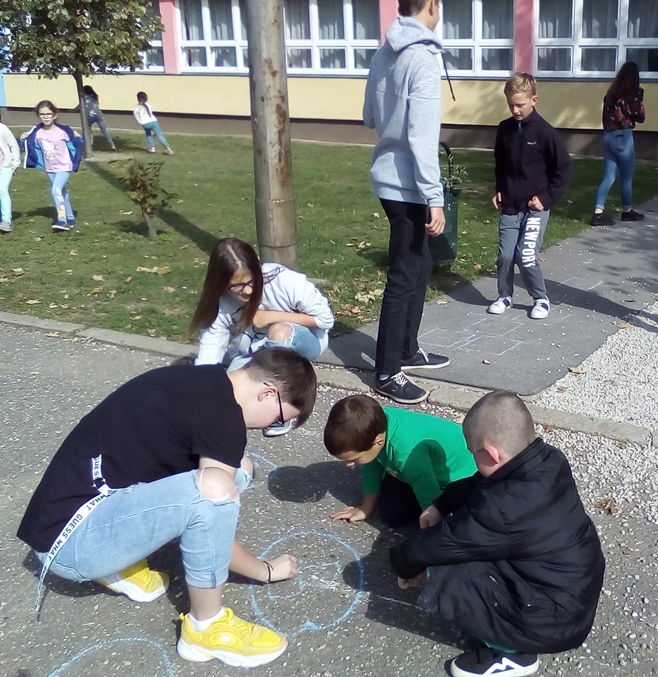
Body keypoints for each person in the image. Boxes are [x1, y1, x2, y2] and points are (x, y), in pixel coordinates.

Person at [16, 348, 318, 668]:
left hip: (60, 519)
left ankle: (118, 562)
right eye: (279, 420)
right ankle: (205, 628)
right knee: (216, 488)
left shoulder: (199, 379)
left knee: (238, 467)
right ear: (268, 393)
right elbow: (213, 503)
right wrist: (265, 570)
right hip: (72, 547)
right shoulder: (224, 419)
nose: (269, 430)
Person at [389, 391, 605, 677]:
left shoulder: (502, 507)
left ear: (491, 453)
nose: (472, 458)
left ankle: (513, 653)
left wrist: (403, 563)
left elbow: (445, 541)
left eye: (472, 452)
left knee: (445, 570)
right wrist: (442, 504)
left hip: (550, 621)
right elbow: (478, 482)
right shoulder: (548, 459)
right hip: (573, 593)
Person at [363, 0, 451, 405]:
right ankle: (386, 371)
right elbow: (422, 137)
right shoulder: (423, 59)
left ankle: (407, 349)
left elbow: (369, 116)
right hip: (410, 186)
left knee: (421, 265)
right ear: (432, 4)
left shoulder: (384, 54)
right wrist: (434, 197)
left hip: (388, 179)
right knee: (403, 274)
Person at [190, 238, 333, 428]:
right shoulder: (221, 304)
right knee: (227, 389)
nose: (248, 290)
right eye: (236, 286)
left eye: (251, 281)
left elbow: (325, 320)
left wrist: (271, 316)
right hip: (255, 352)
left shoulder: (284, 280)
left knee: (278, 332)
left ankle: (282, 409)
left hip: (306, 340)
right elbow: (209, 354)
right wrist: (200, 390)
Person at [488, 73, 572, 320]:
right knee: (505, 256)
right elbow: (500, 163)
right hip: (510, 206)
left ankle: (540, 298)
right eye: (510, 105)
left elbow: (564, 170)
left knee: (525, 256)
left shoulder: (545, 132)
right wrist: (499, 189)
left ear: (534, 100)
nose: (515, 110)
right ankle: (504, 296)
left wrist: (545, 199)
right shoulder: (504, 130)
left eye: (520, 105)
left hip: (535, 208)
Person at [325, 394, 478, 527]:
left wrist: (432, 529)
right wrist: (365, 508)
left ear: (377, 442)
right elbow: (372, 464)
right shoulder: (374, 425)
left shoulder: (406, 454)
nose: (347, 465)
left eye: (354, 459)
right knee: (392, 515)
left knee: (440, 516)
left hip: (457, 475)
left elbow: (428, 492)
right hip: (418, 467)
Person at [591, 61, 645, 226]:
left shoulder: (610, 94)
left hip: (608, 136)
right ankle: (627, 210)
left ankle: (598, 213)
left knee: (608, 176)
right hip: (623, 136)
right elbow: (640, 116)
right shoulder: (633, 94)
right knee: (626, 177)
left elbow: (605, 116)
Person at [22, 100, 84, 232]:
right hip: (50, 168)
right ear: (38, 116)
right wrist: (23, 139)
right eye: (42, 114)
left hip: (64, 166)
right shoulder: (37, 132)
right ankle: (70, 217)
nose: (45, 117)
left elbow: (77, 143)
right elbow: (30, 146)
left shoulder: (63, 131)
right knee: (62, 192)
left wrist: (79, 138)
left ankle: (62, 220)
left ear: (55, 115)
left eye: (48, 114)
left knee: (55, 190)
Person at [76, 85, 116, 151]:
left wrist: (72, 110)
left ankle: (90, 143)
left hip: (89, 116)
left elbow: (80, 106)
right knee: (104, 130)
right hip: (98, 115)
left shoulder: (84, 98)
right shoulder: (95, 97)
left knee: (88, 130)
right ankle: (112, 144)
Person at [0, 112, 20, 234]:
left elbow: (14, 145)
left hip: (5, 166)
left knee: (2, 190)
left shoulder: (2, 129)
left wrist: (15, 163)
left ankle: (6, 220)